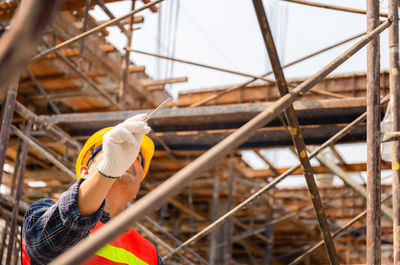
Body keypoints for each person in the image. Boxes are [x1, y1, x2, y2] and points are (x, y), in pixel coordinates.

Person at [22, 114, 163, 265]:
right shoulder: (45, 210)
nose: (129, 159)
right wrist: (108, 170)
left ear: (136, 190)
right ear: (85, 172)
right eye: (109, 149)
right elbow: (44, 246)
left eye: (137, 158)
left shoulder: (151, 255)